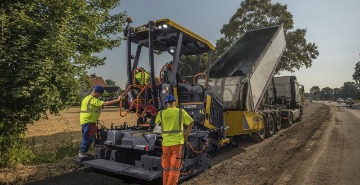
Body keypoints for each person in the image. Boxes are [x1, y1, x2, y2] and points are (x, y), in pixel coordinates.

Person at [155, 95, 194, 185]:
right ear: (174, 103)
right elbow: (191, 122)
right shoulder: (180, 111)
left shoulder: (161, 113)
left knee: (166, 169)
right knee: (174, 169)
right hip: (177, 144)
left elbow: (156, 122)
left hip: (165, 145)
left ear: (166, 105)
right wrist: (186, 134)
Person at [79, 85, 121, 161]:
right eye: (100, 94)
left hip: (85, 121)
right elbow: (105, 103)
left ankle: (84, 153)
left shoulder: (87, 98)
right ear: (97, 92)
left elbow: (94, 108)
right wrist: (117, 100)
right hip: (89, 121)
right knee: (88, 138)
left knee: (86, 137)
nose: (99, 96)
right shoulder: (93, 99)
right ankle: (82, 154)